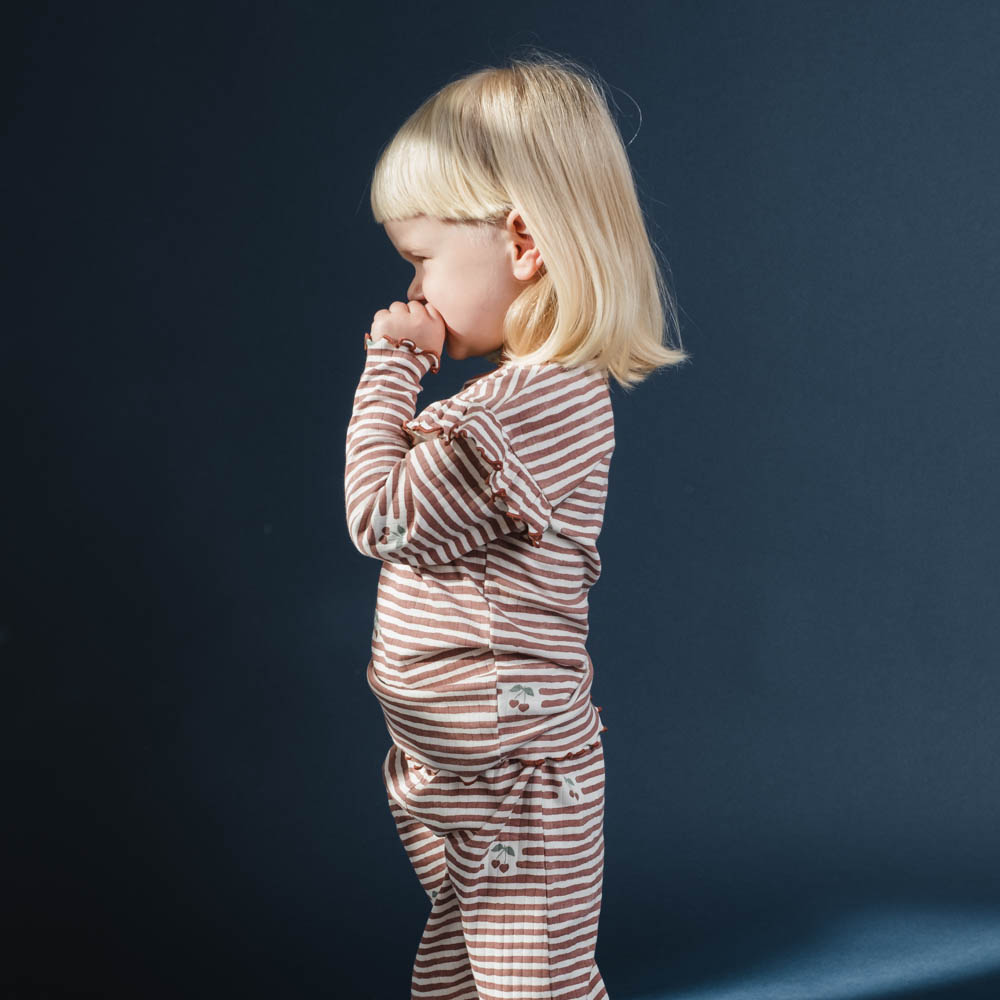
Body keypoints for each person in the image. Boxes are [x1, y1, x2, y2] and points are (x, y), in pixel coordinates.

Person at [344, 49, 688, 1000]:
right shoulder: (521, 402)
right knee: (458, 976)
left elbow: (380, 517)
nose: (413, 294)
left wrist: (391, 364)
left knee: (533, 988)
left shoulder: (526, 409)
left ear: (524, 244)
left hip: (515, 783)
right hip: (465, 775)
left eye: (420, 259)